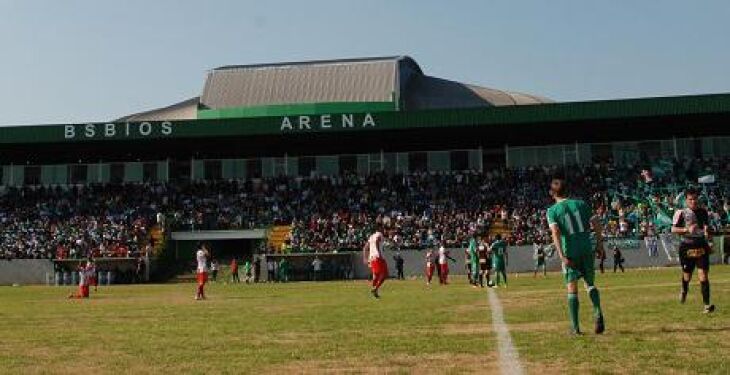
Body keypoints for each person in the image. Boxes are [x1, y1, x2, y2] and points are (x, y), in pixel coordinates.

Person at [547, 177, 605, 335]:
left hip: (570, 251)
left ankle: (575, 327)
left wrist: (561, 255)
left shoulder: (552, 211)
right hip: (586, 248)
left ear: (552, 193)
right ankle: (598, 311)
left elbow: (556, 232)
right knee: (590, 283)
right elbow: (596, 223)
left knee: (572, 289)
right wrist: (599, 244)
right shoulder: (581, 204)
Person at [671, 188, 715, 313]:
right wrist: (686, 230)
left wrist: (709, 237)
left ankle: (706, 305)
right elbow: (673, 229)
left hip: (701, 245)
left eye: (695, 199)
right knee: (687, 276)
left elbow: (706, 227)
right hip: (687, 246)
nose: (693, 201)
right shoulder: (681, 212)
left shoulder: (703, 212)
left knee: (703, 276)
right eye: (690, 199)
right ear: (686, 200)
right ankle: (684, 290)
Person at [363, 226, 388, 298]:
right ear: (380, 229)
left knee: (376, 276)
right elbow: (377, 241)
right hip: (378, 257)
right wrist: (379, 252)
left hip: (372, 258)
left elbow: (365, 247)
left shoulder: (371, 237)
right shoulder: (379, 234)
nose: (384, 230)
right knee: (385, 274)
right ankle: (375, 289)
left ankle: (375, 291)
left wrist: (365, 258)